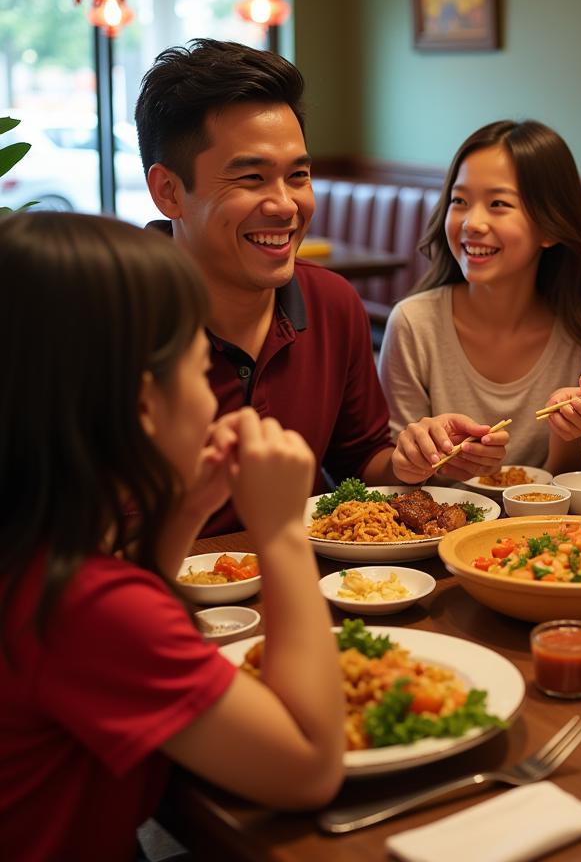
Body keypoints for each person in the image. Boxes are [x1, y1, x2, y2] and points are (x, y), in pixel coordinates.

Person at [0, 213, 345, 862]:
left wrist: (182, 515)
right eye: (197, 367)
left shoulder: (36, 547)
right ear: (142, 406)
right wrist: (280, 533)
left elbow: (115, 620)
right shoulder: (84, 606)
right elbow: (309, 768)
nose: (215, 399)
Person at [137, 40, 506, 534]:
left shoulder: (332, 304)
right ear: (169, 191)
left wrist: (416, 459)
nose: (286, 205)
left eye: (299, 175)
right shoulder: (112, 323)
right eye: (251, 177)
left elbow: (360, 458)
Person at [379, 120, 581, 474]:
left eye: (498, 203)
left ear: (550, 227)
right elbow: (395, 470)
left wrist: (565, 433)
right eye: (459, 200)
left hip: (550, 527)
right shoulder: (414, 324)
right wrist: (419, 457)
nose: (472, 223)